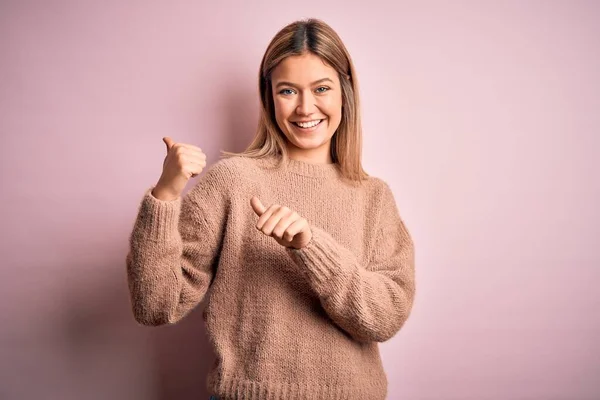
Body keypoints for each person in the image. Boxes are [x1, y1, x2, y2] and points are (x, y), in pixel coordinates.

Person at [126, 18, 416, 400]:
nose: (305, 107)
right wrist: (165, 193)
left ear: (344, 93)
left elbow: (385, 317)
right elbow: (155, 305)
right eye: (288, 91)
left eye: (322, 88)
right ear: (269, 98)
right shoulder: (232, 180)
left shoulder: (374, 196)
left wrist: (310, 247)